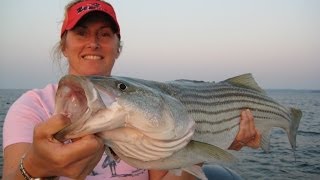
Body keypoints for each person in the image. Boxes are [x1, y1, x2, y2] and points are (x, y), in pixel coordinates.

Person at [2, 0, 261, 179]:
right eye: (81, 33)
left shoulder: (148, 111)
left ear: (118, 47)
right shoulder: (32, 106)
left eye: (104, 34)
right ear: (63, 45)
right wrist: (35, 169)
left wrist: (199, 148)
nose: (93, 43)